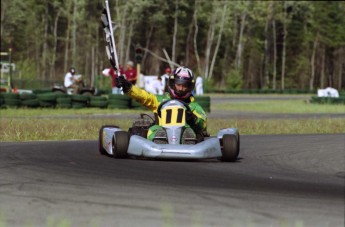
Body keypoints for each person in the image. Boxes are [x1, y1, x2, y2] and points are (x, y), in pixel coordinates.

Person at [116, 66, 207, 144]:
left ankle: (187, 140)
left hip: (185, 132)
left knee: (191, 132)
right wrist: (127, 87)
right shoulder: (161, 100)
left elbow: (203, 124)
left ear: (190, 87)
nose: (181, 88)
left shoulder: (194, 106)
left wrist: (193, 119)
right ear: (172, 83)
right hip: (162, 129)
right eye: (178, 85)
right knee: (154, 130)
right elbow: (144, 97)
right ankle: (160, 139)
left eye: (184, 85)